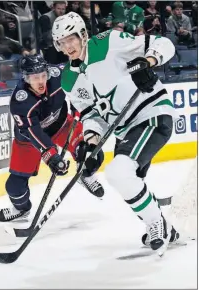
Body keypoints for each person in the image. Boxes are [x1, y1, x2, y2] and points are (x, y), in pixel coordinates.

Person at [51, 12, 180, 255]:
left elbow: (165, 44)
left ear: (83, 35)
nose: (68, 46)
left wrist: (149, 61)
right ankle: (166, 227)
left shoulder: (107, 43)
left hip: (151, 113)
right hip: (126, 130)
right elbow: (92, 116)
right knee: (123, 178)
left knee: (119, 171)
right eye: (62, 42)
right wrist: (90, 141)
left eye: (71, 39)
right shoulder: (69, 79)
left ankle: (156, 225)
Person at [0, 54, 105, 222]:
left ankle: (86, 174)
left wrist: (78, 104)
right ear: (26, 78)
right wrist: (51, 156)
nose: (41, 82)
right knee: (14, 187)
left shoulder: (58, 76)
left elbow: (79, 84)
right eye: (35, 77)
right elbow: (34, 133)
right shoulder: (20, 102)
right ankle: (21, 209)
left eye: (43, 76)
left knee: (92, 152)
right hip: (29, 141)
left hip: (62, 126)